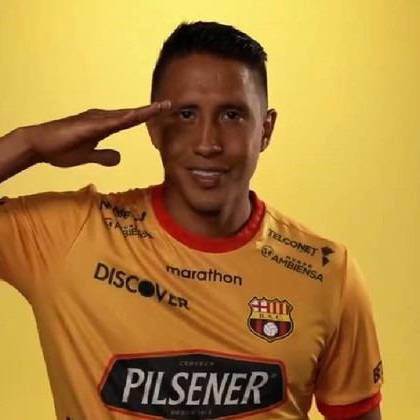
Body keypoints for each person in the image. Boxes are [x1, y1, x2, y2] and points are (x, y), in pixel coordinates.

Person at [0, 21, 383, 420]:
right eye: (185, 114)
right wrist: (28, 143)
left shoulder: (327, 272)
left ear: (265, 130)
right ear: (153, 127)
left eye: (232, 115)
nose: (207, 143)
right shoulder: (70, 237)